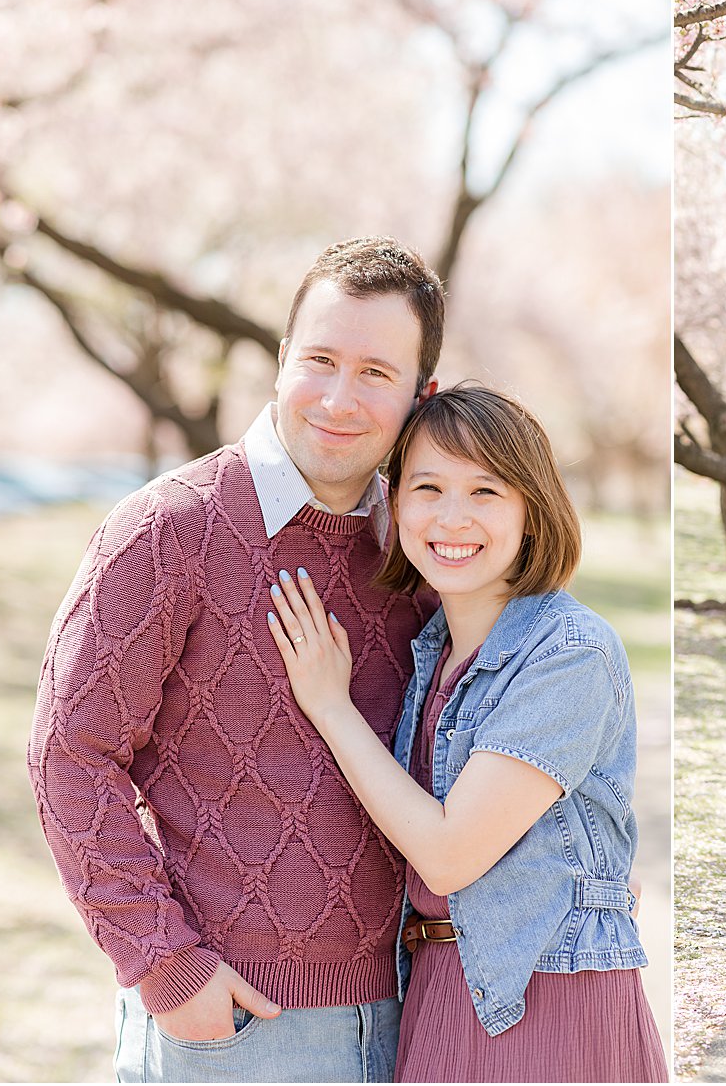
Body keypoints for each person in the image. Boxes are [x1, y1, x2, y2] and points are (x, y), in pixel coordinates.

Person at [29, 237, 445, 1082]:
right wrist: (165, 965)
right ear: (281, 360)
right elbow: (68, 753)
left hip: (409, 1014)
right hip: (234, 1028)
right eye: (320, 359)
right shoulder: (170, 529)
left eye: (375, 372)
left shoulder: (422, 556)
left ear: (420, 396)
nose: (337, 397)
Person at [266, 385, 667, 1082]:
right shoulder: (431, 650)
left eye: (486, 491)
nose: (453, 516)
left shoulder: (569, 651)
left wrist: (331, 707)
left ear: (531, 512)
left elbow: (450, 855)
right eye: (428, 486)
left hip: (541, 993)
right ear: (396, 502)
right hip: (443, 986)